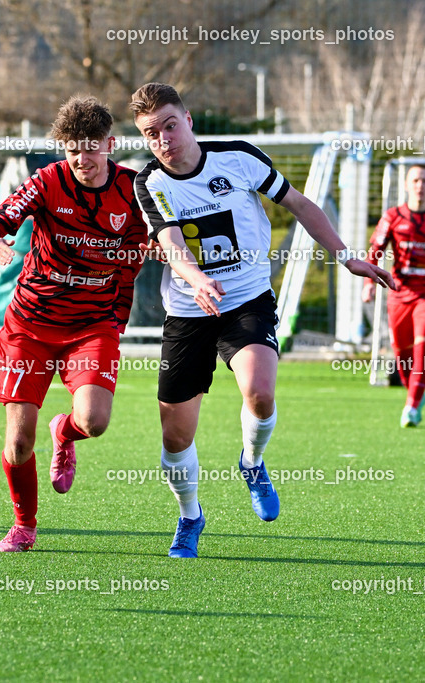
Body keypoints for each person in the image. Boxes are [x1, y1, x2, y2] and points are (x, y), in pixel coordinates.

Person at [130, 82, 395, 558]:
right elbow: (169, 242)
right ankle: (190, 516)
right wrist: (194, 277)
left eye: (170, 125)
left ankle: (252, 462)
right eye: (152, 133)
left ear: (188, 120)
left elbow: (300, 204)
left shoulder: (239, 157)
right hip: (190, 311)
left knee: (260, 390)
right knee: (175, 435)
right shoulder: (150, 182)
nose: (164, 139)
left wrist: (347, 257)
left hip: (247, 299)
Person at [0, 96, 148, 552]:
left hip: (91, 324)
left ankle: (63, 431)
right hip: (30, 324)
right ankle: (24, 526)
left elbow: (144, 249)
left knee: (93, 421)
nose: (82, 159)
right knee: (17, 442)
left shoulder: (134, 189)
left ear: (111, 144)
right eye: (72, 149)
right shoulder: (48, 181)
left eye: (91, 149)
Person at [363, 164, 425, 427]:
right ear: (407, 184)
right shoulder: (393, 216)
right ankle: (415, 390)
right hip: (399, 294)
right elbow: (375, 249)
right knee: (403, 357)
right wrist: (369, 282)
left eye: (424, 180)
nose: (420, 185)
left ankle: (411, 405)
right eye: (415, 180)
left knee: (423, 345)